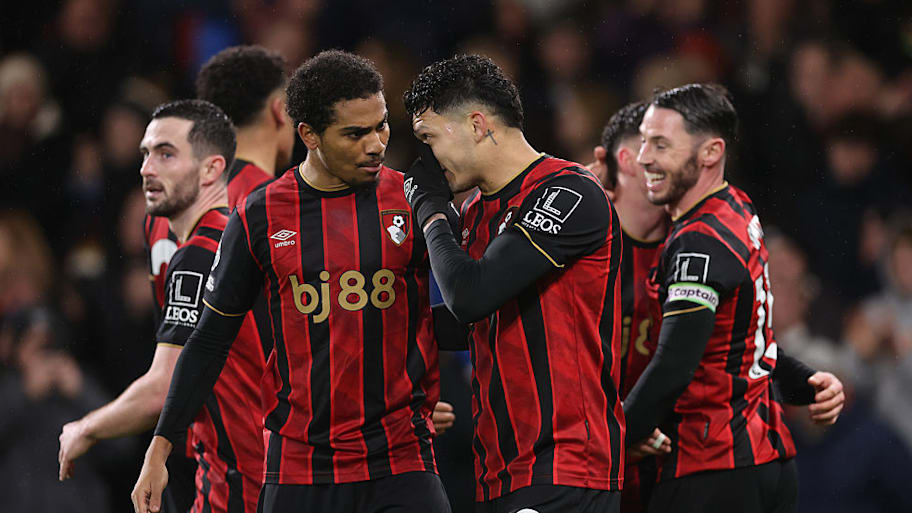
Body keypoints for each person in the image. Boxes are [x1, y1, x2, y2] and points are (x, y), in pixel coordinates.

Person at [132, 50, 450, 513]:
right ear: (308, 134)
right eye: (355, 133)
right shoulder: (260, 214)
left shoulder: (409, 197)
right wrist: (159, 450)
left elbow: (457, 308)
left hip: (401, 460)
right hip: (301, 469)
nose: (376, 144)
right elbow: (209, 339)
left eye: (381, 125)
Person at [403, 54, 624, 513]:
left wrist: (429, 212)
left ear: (478, 124)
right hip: (498, 471)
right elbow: (469, 322)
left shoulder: (567, 192)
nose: (425, 158)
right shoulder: (474, 214)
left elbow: (470, 295)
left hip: (565, 464)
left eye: (429, 137)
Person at [621, 83, 845, 513]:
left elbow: (674, 365)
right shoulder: (736, 207)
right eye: (645, 141)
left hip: (712, 469)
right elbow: (740, 334)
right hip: (767, 459)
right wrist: (803, 379)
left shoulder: (698, 243)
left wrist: (612, 440)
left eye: (661, 144)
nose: (645, 157)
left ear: (710, 153)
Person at [59, 99, 270, 513]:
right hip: (259, 468)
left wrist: (85, 428)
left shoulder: (200, 254)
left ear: (211, 169)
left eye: (166, 154)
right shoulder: (234, 239)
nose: (147, 168)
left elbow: (164, 385)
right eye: (145, 154)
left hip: (240, 476)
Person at [140, 45, 297, 513]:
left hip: (189, 438)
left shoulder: (173, 204)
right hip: (265, 452)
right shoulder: (279, 204)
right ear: (279, 110)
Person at [591, 101, 670, 513]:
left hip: (669, 461)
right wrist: (617, 437)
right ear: (628, 159)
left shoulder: (691, 247)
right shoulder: (576, 245)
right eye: (659, 145)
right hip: (586, 465)